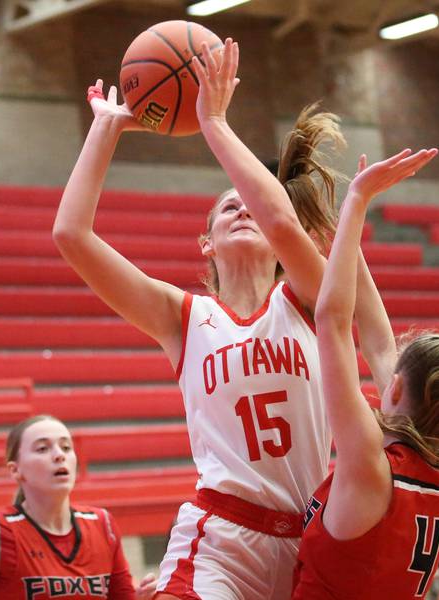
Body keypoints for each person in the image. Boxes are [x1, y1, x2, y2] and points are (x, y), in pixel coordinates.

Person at [54, 37, 396, 600]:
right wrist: (106, 128)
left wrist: (215, 121)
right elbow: (71, 236)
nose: (241, 206)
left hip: (312, 539)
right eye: (225, 207)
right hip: (220, 538)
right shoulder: (182, 317)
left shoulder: (312, 301)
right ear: (206, 244)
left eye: (248, 201)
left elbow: (285, 219)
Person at [291, 145, 439, 600]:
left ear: (397, 387)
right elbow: (379, 342)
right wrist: (340, 219)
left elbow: (333, 322)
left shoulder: (369, 462)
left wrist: (359, 200)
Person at [0, 415, 155, 599]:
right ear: (15, 470)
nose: (59, 455)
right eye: (42, 448)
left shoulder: (102, 523)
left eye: (66, 447)